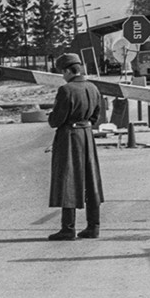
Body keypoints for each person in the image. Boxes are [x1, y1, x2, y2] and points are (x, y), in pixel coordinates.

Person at [46, 53, 104, 241]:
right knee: (91, 180)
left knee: (68, 180)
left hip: (69, 137)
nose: (62, 76)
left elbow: (56, 120)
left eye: (62, 73)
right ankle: (93, 226)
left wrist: (51, 117)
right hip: (87, 135)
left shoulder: (66, 90)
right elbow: (96, 116)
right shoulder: (93, 88)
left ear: (67, 71)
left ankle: (68, 228)